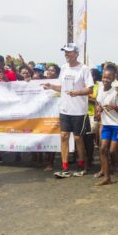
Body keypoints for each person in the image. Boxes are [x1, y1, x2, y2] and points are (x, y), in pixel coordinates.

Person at [42, 43, 94, 178]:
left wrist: (76, 92)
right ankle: (65, 168)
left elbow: (90, 89)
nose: (66, 54)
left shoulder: (84, 69)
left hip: (79, 111)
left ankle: (81, 166)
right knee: (64, 137)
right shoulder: (64, 68)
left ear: (76, 53)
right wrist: (51, 86)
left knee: (78, 138)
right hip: (64, 109)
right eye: (65, 52)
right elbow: (62, 88)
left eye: (69, 52)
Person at [95, 64, 118, 186]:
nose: (105, 80)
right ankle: (107, 177)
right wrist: (98, 110)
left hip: (117, 124)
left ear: (113, 79)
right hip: (106, 124)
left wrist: (114, 108)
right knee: (102, 149)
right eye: (104, 77)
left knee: (113, 151)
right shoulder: (100, 89)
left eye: (108, 78)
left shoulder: (116, 93)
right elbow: (98, 102)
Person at [44, 64, 61, 171]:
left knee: (52, 138)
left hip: (56, 115)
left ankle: (50, 163)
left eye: (52, 70)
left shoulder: (59, 83)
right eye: (48, 70)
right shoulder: (40, 82)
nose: (49, 72)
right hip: (43, 115)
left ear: (57, 73)